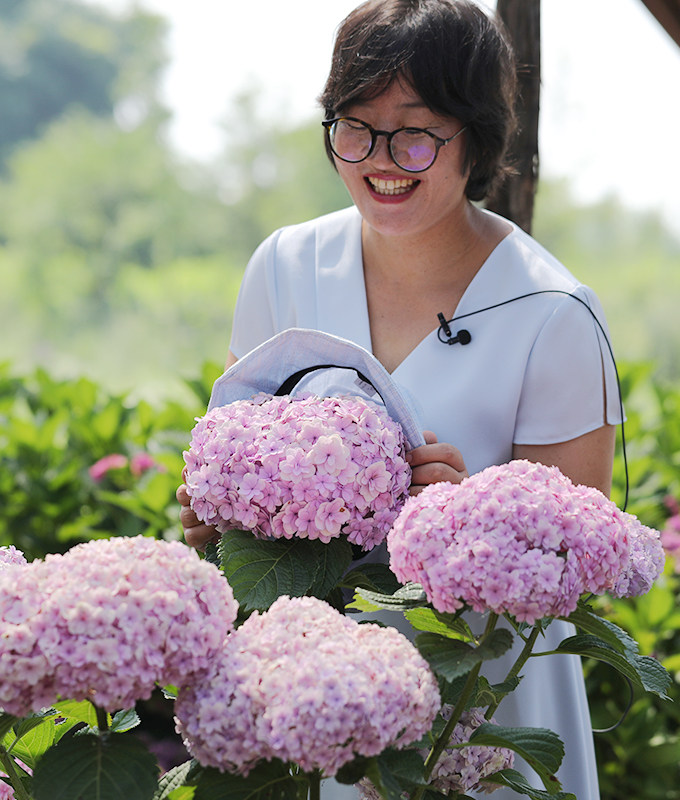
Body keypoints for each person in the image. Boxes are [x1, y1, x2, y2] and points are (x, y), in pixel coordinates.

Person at [177, 1, 622, 797]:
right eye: (355, 127)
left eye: (417, 132)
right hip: (318, 699)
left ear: (476, 138)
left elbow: (576, 566)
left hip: (480, 716)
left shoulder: (553, 313)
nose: (382, 159)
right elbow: (236, 437)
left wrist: (464, 522)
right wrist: (220, 506)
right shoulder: (285, 265)